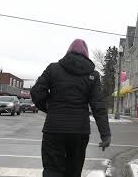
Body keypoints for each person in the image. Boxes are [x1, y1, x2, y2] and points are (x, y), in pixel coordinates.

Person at [31, 39, 111, 177]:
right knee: (74, 171)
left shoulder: (53, 69)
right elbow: (98, 106)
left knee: (52, 170)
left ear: (68, 52)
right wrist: (105, 135)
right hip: (79, 132)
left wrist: (50, 108)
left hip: (54, 129)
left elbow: (36, 92)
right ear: (86, 55)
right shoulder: (93, 75)